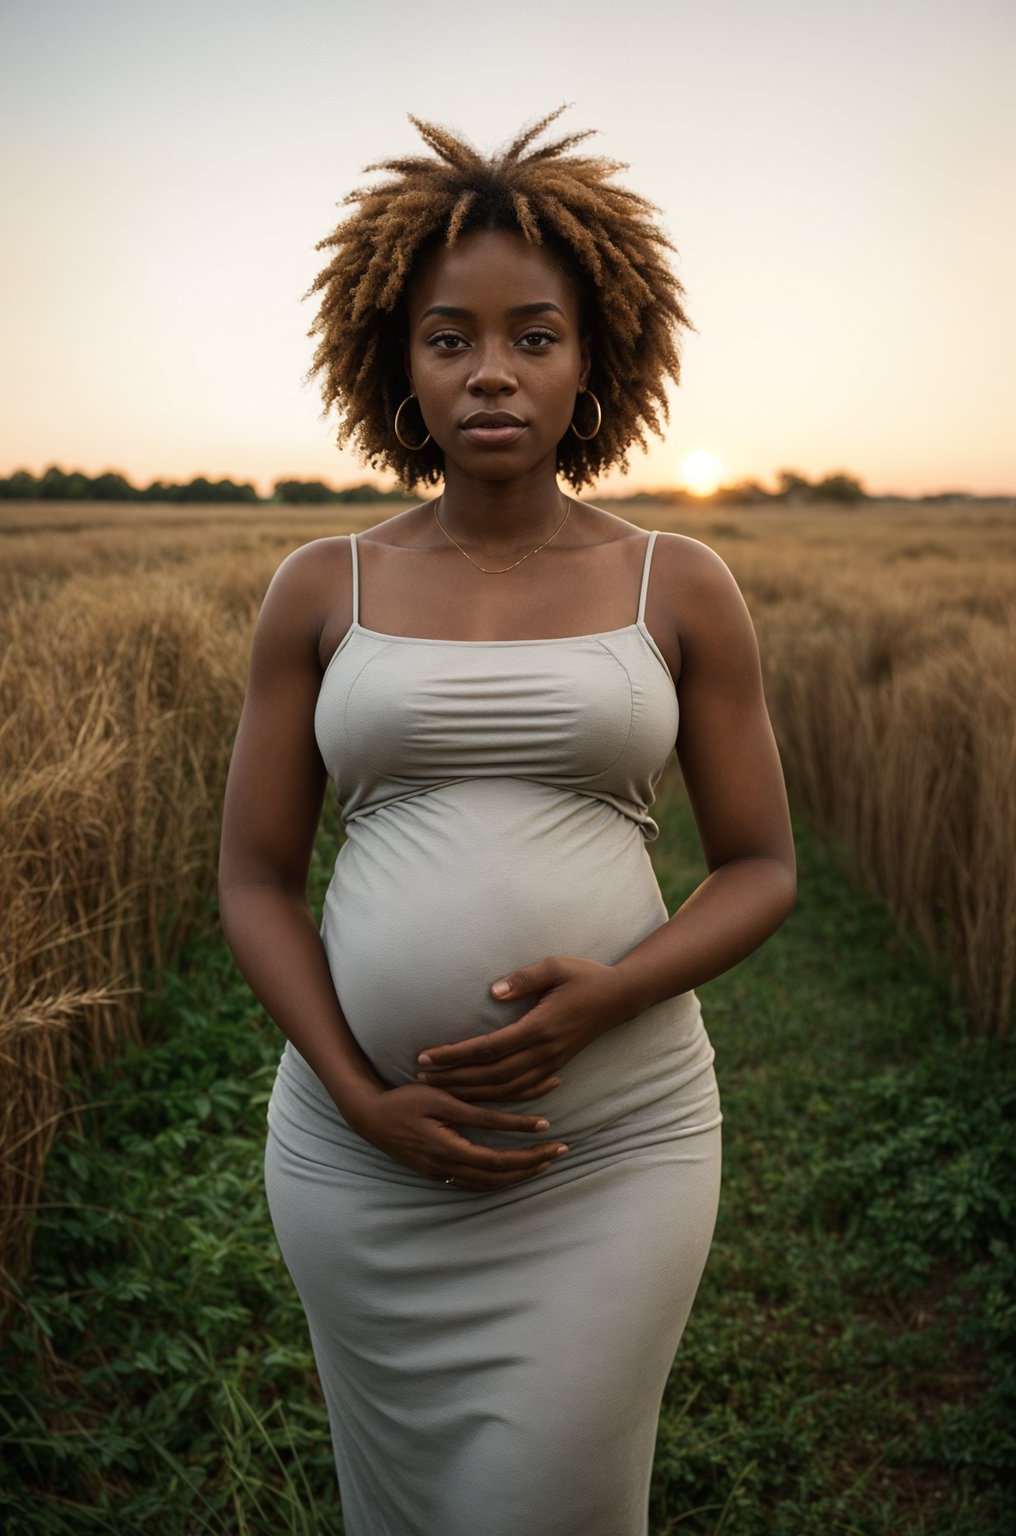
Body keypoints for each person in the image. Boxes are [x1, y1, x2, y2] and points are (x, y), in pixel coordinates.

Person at [218, 107, 795, 1536]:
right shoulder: (319, 587)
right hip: (361, 1162)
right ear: (393, 362)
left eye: (535, 336)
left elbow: (763, 867)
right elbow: (252, 879)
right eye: (449, 336)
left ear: (596, 360)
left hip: (611, 1149)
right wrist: (361, 1099)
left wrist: (613, 993)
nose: (492, 372)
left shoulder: (681, 582)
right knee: (401, 1507)